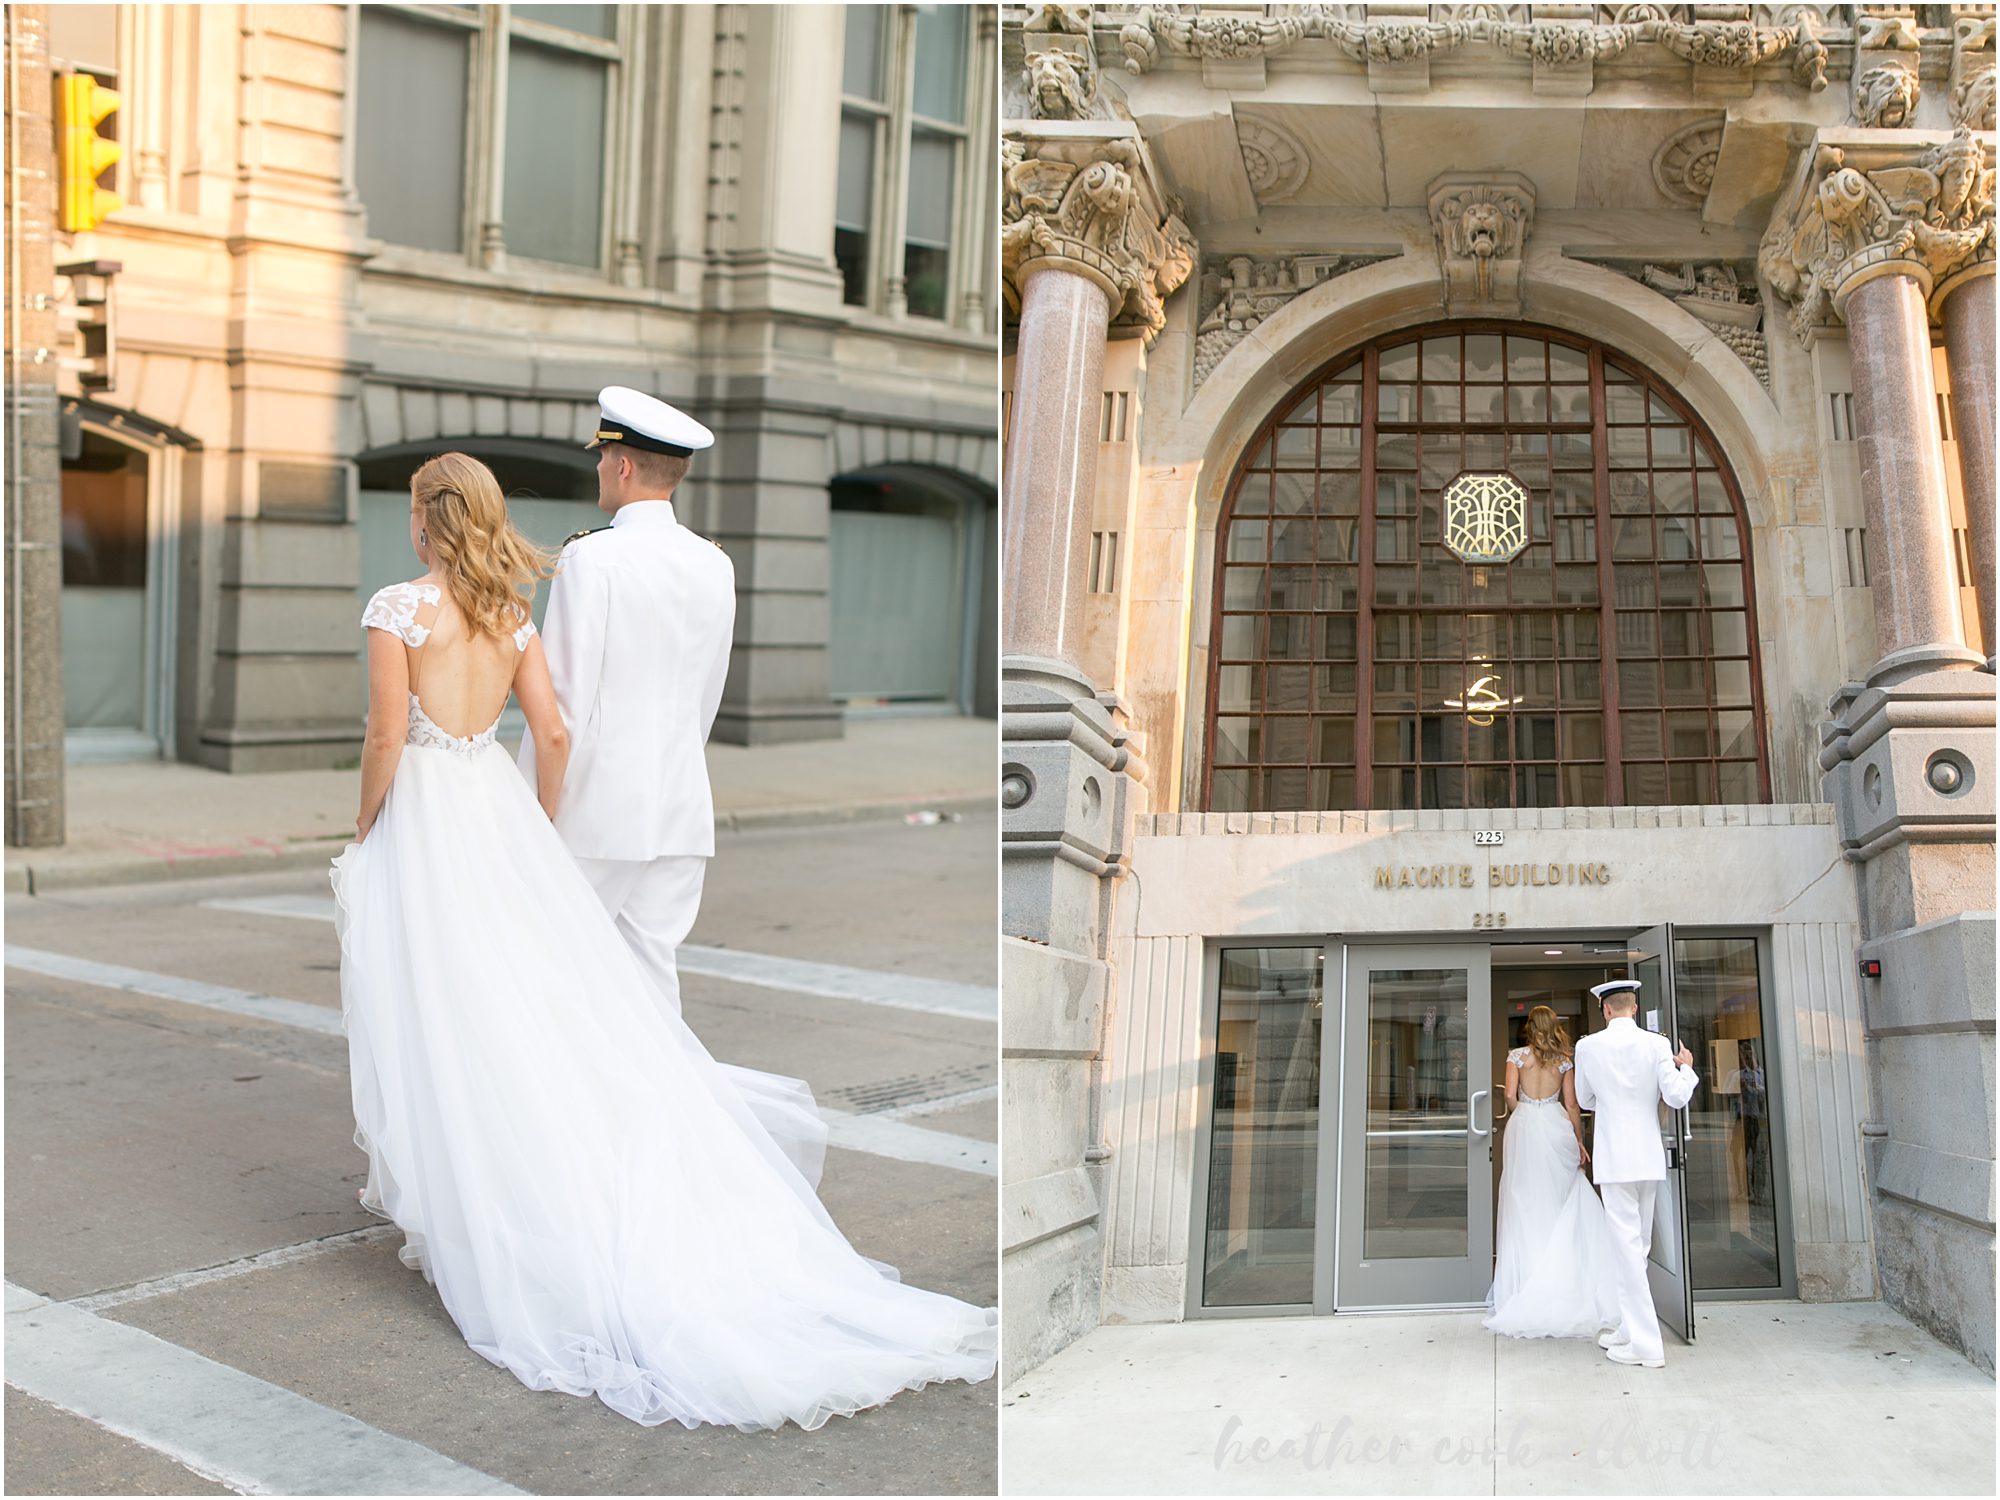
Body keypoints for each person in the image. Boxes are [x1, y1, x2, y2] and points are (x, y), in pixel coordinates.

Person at [330, 451, 996, 1430]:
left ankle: (463, 1197)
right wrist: (539, 829)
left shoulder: (399, 609)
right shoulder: (512, 616)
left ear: (425, 522)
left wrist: (364, 826)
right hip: (499, 812)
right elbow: (552, 738)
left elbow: (386, 738)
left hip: (428, 820)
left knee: (439, 1008)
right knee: (519, 1010)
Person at [518, 385, 726, 1021]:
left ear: (624, 465)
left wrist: (535, 806)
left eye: (602, 459)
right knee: (651, 987)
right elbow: (706, 697)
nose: (599, 471)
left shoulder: (592, 556)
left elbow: (565, 699)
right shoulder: (715, 563)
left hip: (597, 806)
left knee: (549, 969)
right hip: (682, 805)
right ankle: (663, 1116)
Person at [1571, 978, 1700, 1369]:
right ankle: (1630, 1328)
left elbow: (1583, 1099)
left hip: (1614, 1158)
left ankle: (1645, 1344)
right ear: (1634, 1006)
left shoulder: (1587, 1046)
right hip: (1648, 1156)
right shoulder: (1657, 1044)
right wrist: (1689, 1069)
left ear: (1606, 1009)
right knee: (1637, 1247)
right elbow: (1676, 1096)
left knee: (1626, 1249)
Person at [1483, 1004, 1620, 1341]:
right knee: (1562, 1197)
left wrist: (1528, 1114)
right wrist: (1578, 1140)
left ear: (1530, 1027)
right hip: (1557, 1126)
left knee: (1523, 1199)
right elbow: (1573, 1105)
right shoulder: (1564, 1060)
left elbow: (1511, 1096)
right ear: (1554, 1027)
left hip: (1527, 1125)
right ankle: (1566, 1277)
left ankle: (1527, 1279)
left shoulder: (1516, 1057)